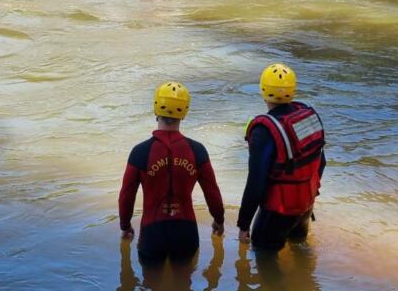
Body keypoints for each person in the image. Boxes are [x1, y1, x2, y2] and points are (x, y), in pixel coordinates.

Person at [119, 82, 225, 267]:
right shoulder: (197, 150)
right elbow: (212, 192)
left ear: (155, 108)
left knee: (150, 284)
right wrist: (219, 219)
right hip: (186, 232)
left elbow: (126, 196)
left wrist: (125, 225)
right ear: (184, 112)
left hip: (152, 234)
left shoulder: (140, 152)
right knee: (184, 283)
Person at [237, 63, 327, 251]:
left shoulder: (263, 131)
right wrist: (309, 193)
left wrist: (244, 224)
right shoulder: (307, 115)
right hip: (305, 205)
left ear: (263, 90)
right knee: (300, 248)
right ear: (292, 90)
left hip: (277, 212)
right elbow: (321, 161)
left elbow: (255, 183)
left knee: (264, 261)